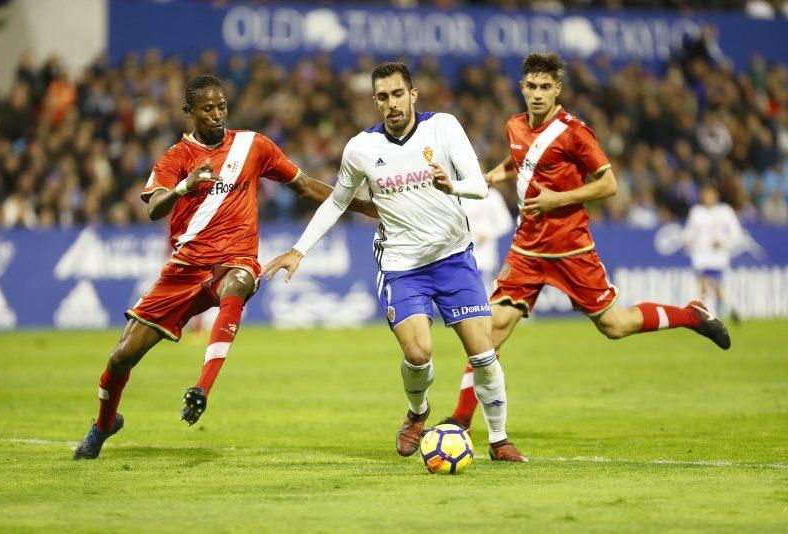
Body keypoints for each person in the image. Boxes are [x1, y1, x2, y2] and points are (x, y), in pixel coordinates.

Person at [73, 74, 376, 460]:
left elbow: (304, 185)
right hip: (184, 269)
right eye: (207, 109)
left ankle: (202, 388)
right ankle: (103, 424)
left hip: (234, 259)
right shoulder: (176, 158)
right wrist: (185, 186)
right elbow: (153, 208)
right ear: (189, 112)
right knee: (120, 358)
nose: (216, 115)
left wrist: (365, 207)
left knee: (239, 280)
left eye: (221, 107)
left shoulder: (253, 145)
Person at [438, 53, 731, 435]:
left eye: (546, 87)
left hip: (571, 249)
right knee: (489, 331)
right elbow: (520, 162)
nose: (538, 94)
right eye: (532, 87)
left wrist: (556, 199)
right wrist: (492, 176)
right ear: (521, 88)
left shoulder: (574, 131)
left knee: (615, 325)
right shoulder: (514, 125)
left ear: (557, 89)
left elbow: (608, 183)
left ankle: (691, 315)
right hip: (527, 249)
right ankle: (462, 418)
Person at [262, 62, 527, 462]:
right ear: (375, 102)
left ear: (413, 94)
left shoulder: (444, 128)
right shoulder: (361, 149)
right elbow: (338, 200)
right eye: (383, 97)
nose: (391, 104)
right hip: (402, 266)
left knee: (483, 354)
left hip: (454, 258)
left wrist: (451, 184)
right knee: (419, 354)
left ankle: (499, 439)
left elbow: (477, 184)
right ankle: (418, 413)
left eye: (398, 94)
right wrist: (300, 249)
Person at [684, 182, 744, 320]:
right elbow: (689, 232)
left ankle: (727, 308)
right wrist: (686, 241)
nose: (707, 197)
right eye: (705, 194)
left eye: (710, 194)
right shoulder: (696, 212)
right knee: (703, 287)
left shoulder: (725, 211)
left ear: (716, 196)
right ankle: (706, 316)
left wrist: (723, 242)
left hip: (718, 257)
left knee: (719, 288)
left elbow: (737, 234)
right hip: (701, 257)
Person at [460, 188, 514, 294]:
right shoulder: (455, 194)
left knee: (484, 297)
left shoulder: (491, 195)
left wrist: (487, 234)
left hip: (484, 257)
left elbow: (506, 223)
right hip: (460, 258)